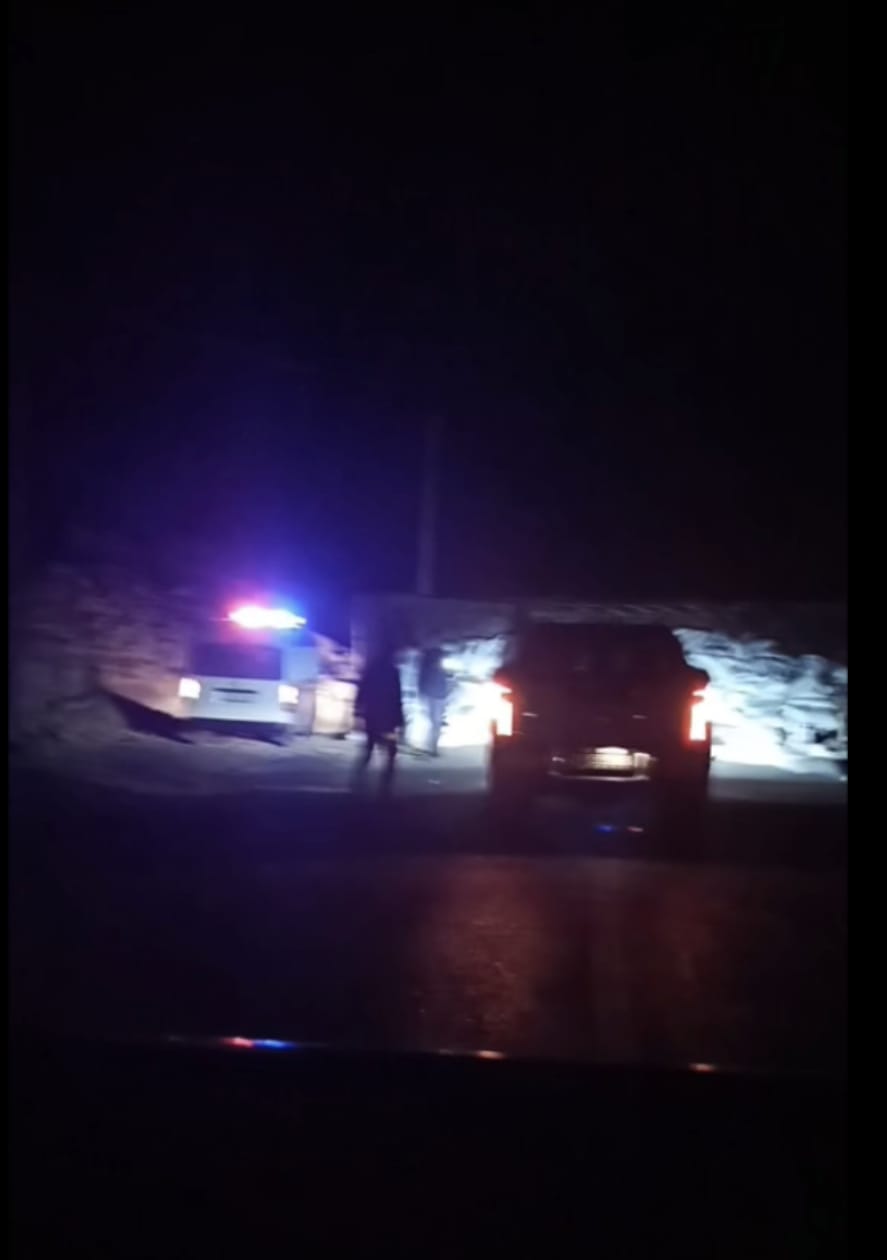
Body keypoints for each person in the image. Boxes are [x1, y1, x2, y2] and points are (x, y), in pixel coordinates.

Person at [352, 644, 404, 793]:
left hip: (373, 715)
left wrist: (358, 711)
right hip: (388, 717)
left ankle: (358, 781)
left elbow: (362, 692)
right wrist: (400, 719)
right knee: (390, 752)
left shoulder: (371, 670)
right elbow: (396, 697)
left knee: (369, 747)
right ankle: (385, 785)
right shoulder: (393, 672)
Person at [418, 646, 449, 756]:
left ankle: (432, 747)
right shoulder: (430, 668)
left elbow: (443, 682)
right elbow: (424, 681)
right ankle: (431, 747)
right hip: (434, 696)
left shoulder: (436, 668)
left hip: (437, 696)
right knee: (435, 722)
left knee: (435, 722)